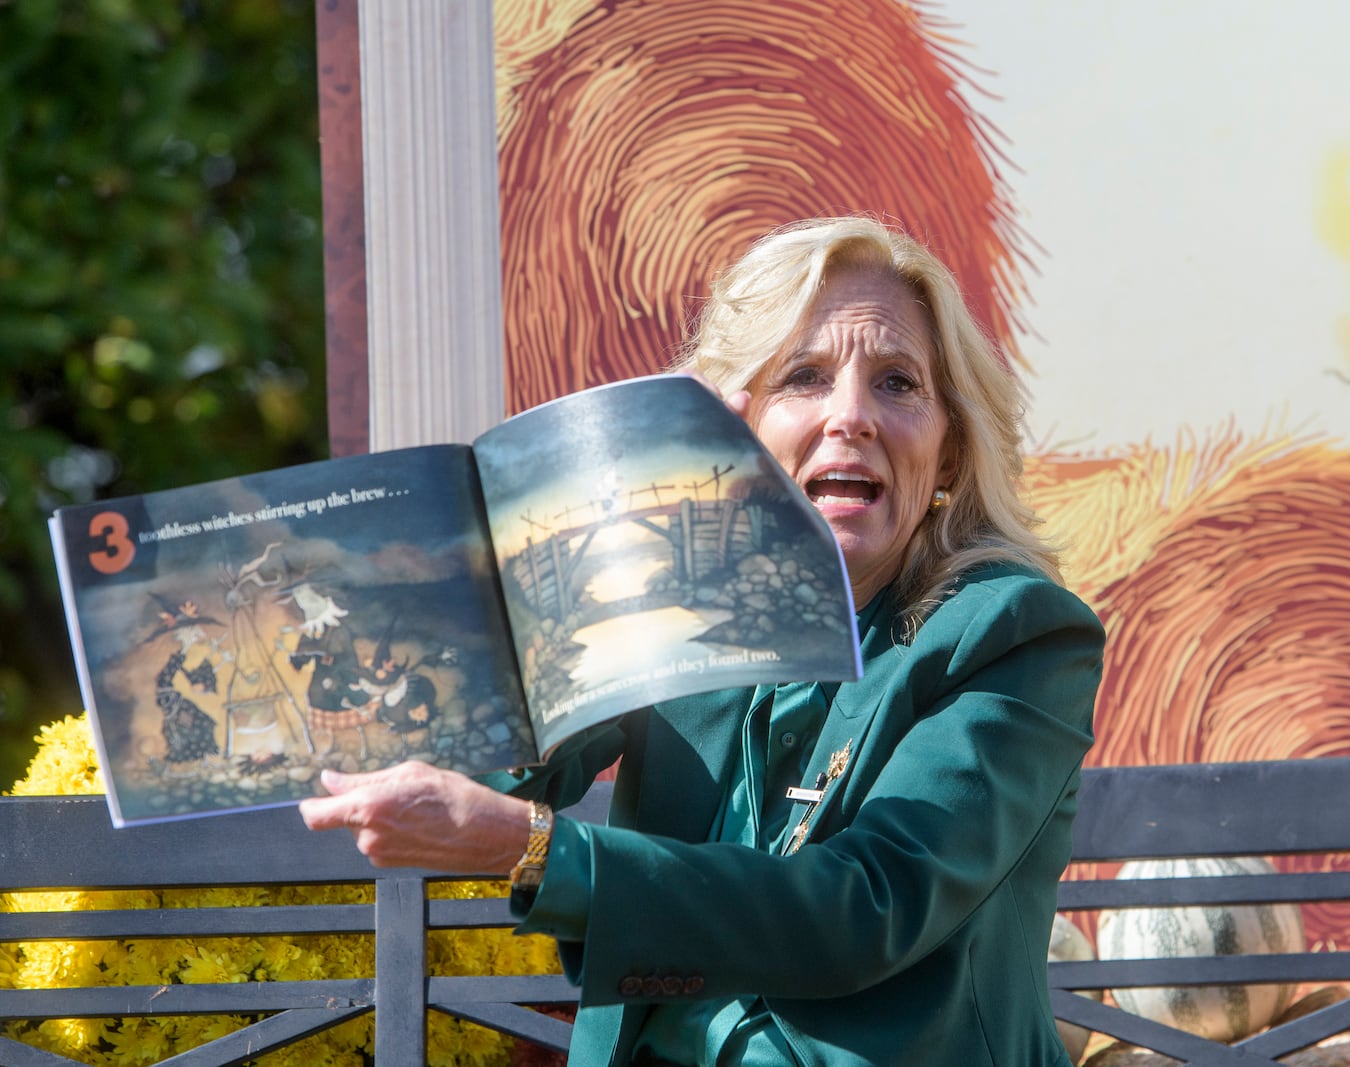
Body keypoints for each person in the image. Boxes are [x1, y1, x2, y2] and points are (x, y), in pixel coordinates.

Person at [300, 216, 1104, 1066]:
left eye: (898, 382)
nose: (852, 415)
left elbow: (865, 909)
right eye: (805, 375)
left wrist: (530, 848)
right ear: (738, 429)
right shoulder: (685, 594)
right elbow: (505, 763)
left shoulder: (1015, 632)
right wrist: (621, 545)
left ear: (948, 454)